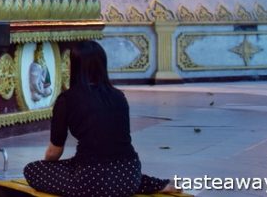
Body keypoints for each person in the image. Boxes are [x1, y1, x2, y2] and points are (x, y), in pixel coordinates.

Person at [23, 41, 179, 197]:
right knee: (90, 166)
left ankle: (107, 185)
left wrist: (47, 167)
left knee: (32, 170)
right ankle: (151, 184)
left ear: (75, 67)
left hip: (93, 180)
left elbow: (54, 152)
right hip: (130, 173)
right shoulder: (118, 96)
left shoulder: (67, 99)